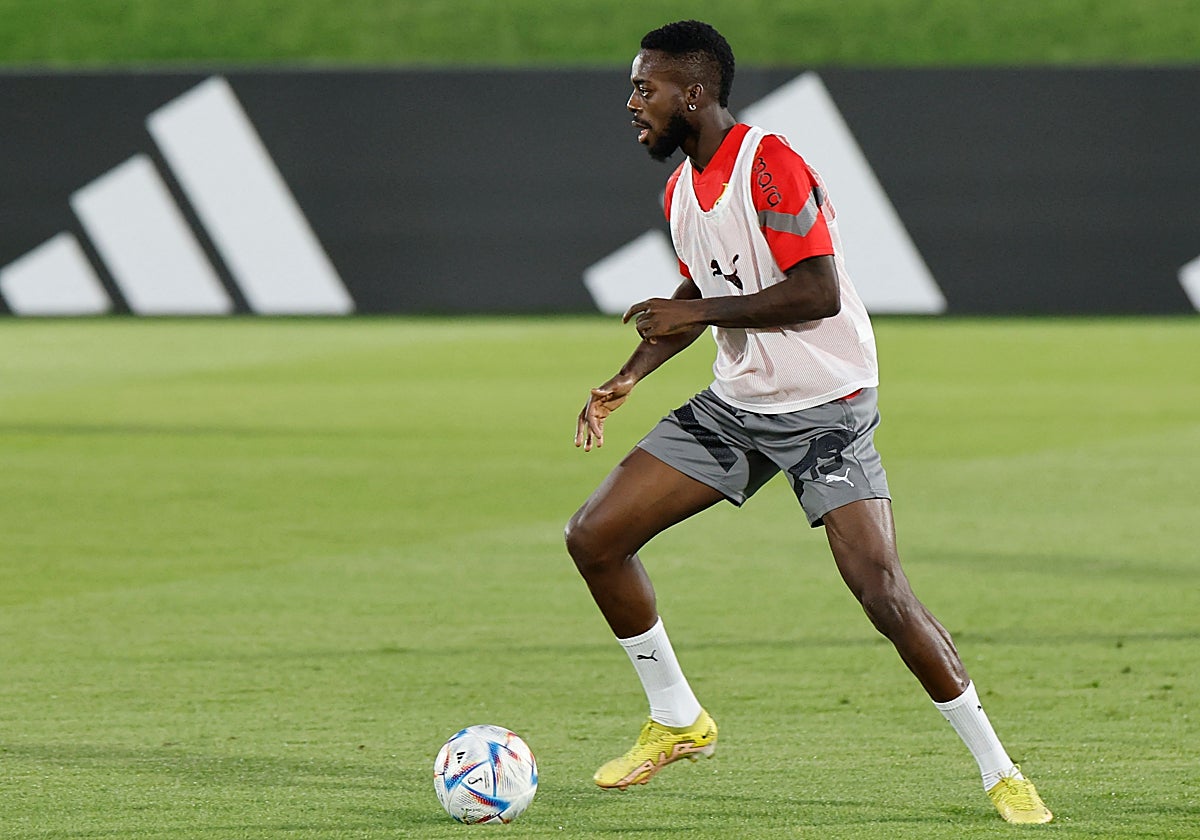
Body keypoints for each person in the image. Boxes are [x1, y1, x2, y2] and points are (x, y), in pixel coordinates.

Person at [564, 19, 1052, 825]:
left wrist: (702, 310)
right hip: (740, 405)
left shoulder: (770, 165)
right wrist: (627, 377)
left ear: (695, 92)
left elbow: (815, 291)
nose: (632, 104)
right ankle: (679, 719)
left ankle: (1000, 771)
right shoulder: (682, 190)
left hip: (828, 408)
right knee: (595, 536)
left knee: (880, 590)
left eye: (644, 88)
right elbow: (695, 297)